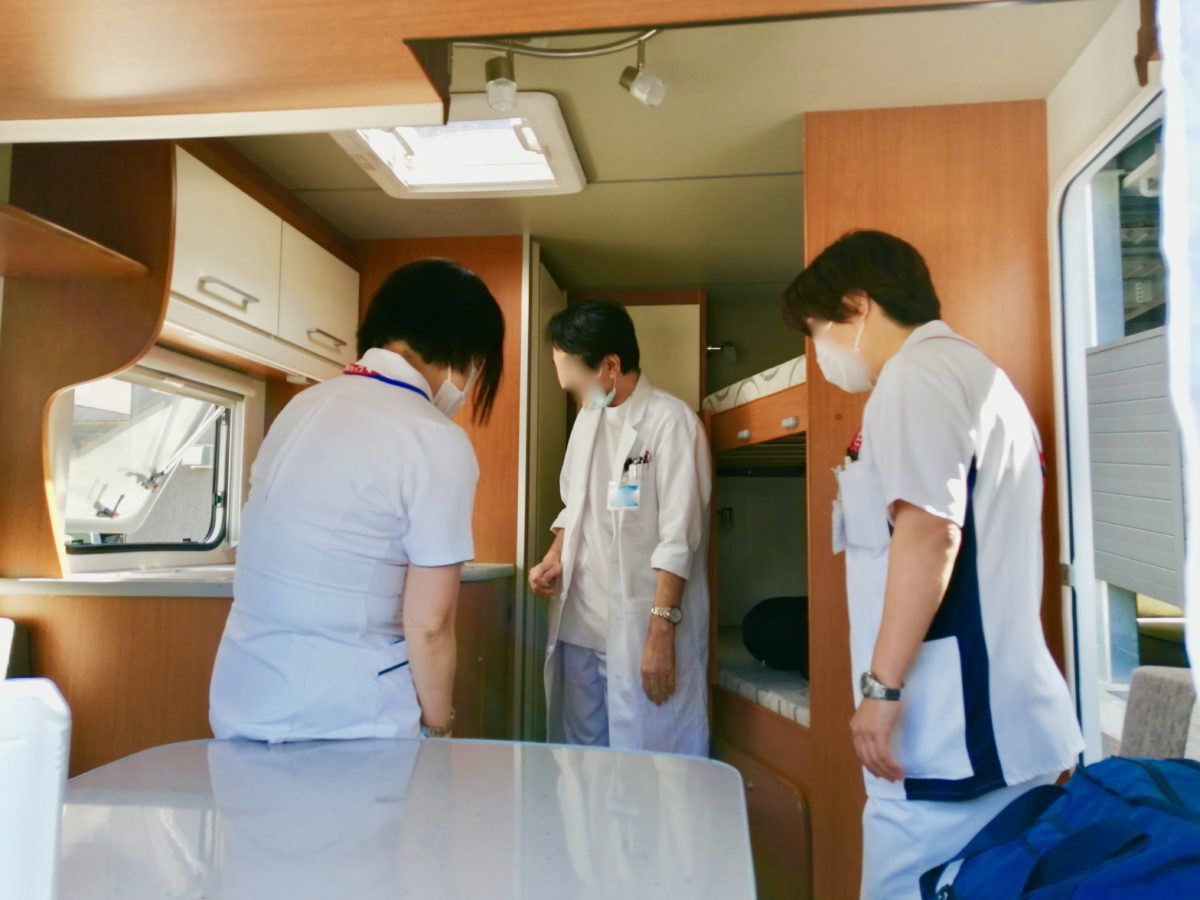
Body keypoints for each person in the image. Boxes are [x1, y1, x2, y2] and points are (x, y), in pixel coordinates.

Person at [782, 230, 1083, 898]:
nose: (821, 352)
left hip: (950, 731)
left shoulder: (916, 377)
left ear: (858, 305)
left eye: (819, 330)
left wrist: (881, 690)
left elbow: (928, 535)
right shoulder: (974, 375)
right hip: (994, 722)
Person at [209, 258, 504, 743]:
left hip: (242, 699)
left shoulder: (301, 406)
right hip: (349, 719)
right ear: (462, 349)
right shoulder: (433, 438)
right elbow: (430, 624)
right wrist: (439, 729)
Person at [528, 300, 712, 755]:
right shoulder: (588, 421)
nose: (576, 397)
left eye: (578, 384)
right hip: (580, 626)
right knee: (582, 762)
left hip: (638, 628)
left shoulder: (671, 423)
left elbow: (679, 540)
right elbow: (575, 506)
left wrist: (661, 633)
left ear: (611, 365)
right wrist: (554, 556)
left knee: (651, 765)